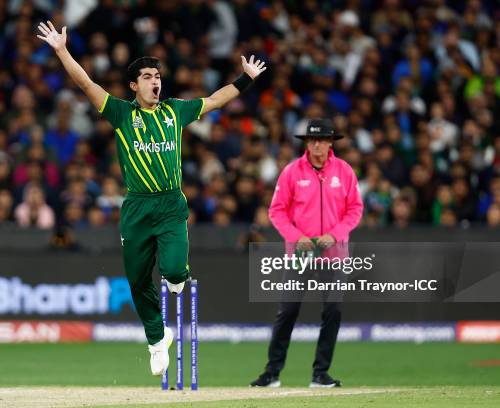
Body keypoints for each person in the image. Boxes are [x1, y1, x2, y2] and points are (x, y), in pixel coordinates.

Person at [37, 20, 266, 377]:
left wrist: (246, 78)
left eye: (156, 75)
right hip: (137, 207)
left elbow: (217, 100)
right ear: (134, 85)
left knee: (174, 271)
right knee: (138, 281)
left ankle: (178, 276)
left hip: (171, 204)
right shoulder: (121, 113)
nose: (154, 81)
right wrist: (62, 50)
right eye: (146, 76)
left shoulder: (176, 110)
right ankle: (158, 341)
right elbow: (85, 83)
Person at [251, 118, 363, 388]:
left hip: (334, 255)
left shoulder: (344, 171)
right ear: (307, 143)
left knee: (333, 311)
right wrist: (296, 237)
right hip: (300, 256)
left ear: (330, 143)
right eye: (311, 140)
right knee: (288, 311)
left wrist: (334, 235)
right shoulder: (292, 172)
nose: (316, 145)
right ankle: (272, 372)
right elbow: (276, 211)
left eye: (322, 140)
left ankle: (320, 373)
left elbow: (355, 210)